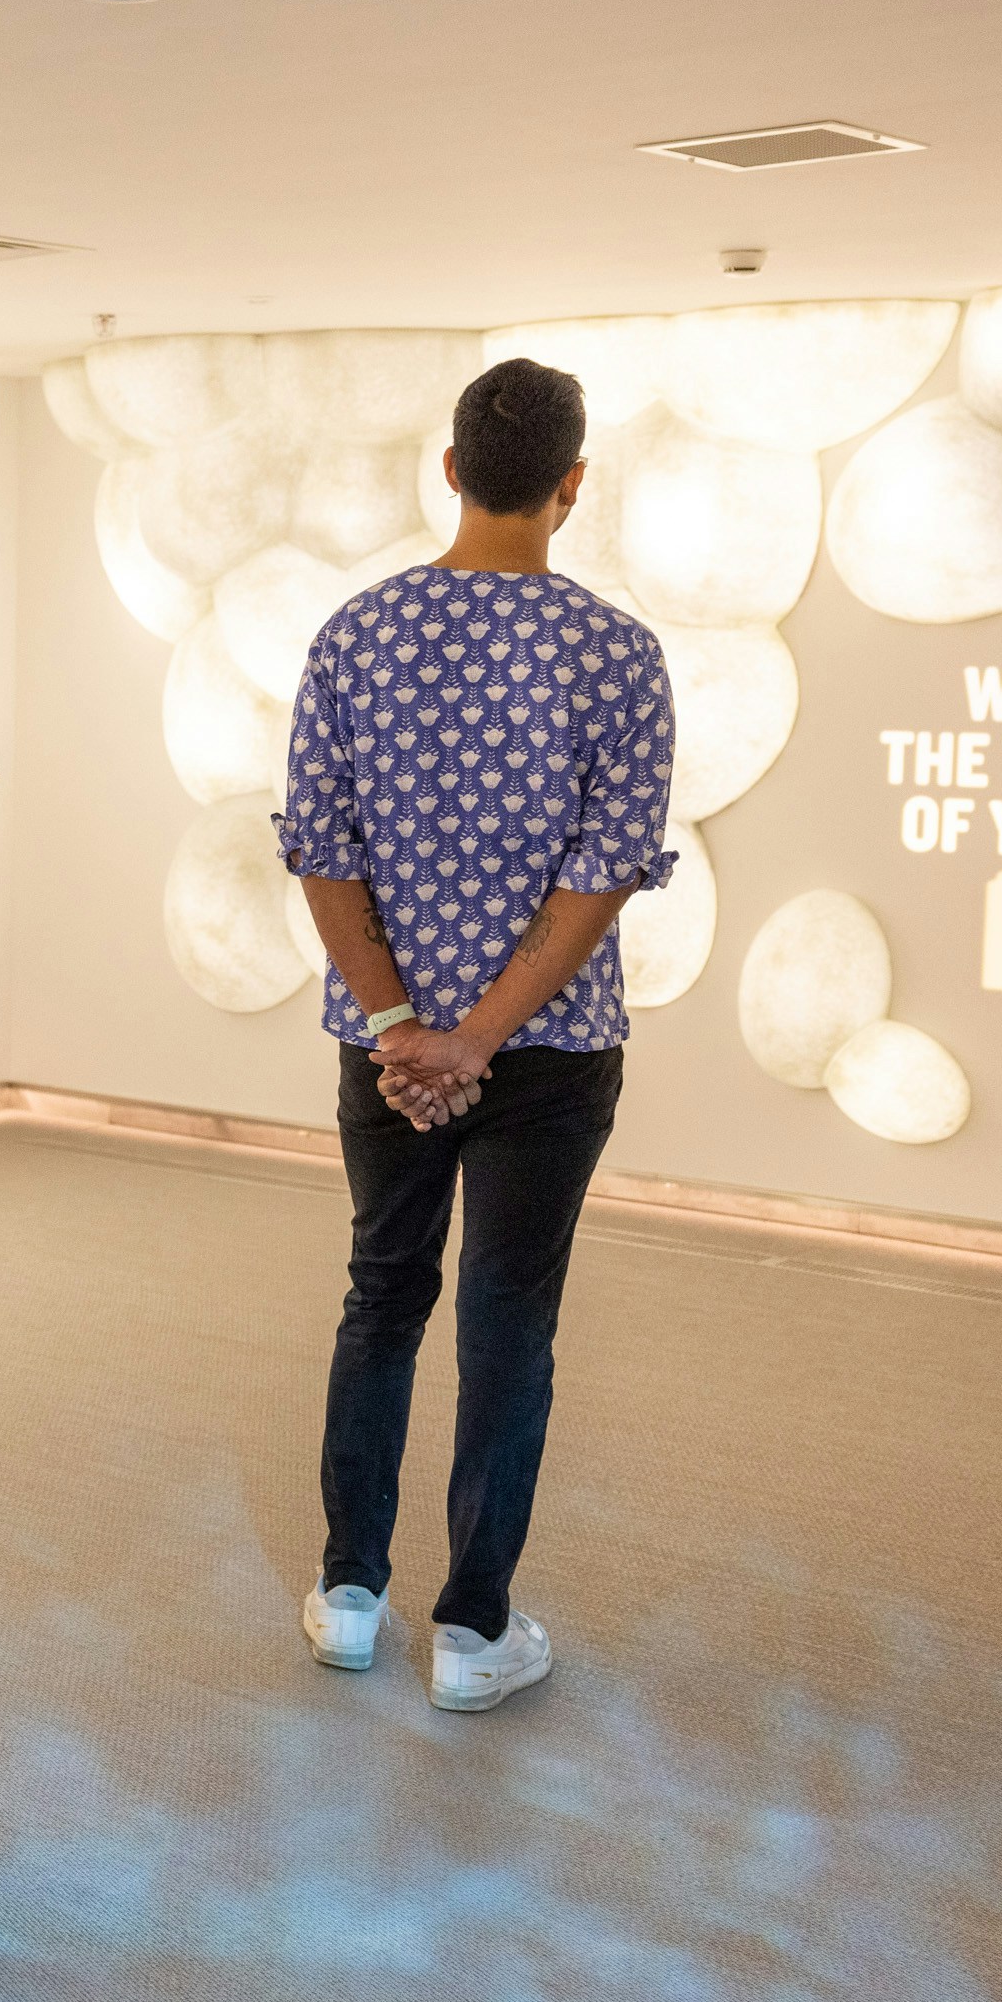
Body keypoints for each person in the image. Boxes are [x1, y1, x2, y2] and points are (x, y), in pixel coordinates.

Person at [275, 356, 676, 1714]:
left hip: (385, 1049)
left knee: (383, 1292)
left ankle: (346, 1593)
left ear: (449, 471)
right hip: (552, 1055)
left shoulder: (355, 635)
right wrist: (484, 1037)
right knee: (509, 1317)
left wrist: (406, 1026)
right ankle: (472, 1629)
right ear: (571, 486)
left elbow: (319, 850)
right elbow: (603, 876)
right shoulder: (618, 653)